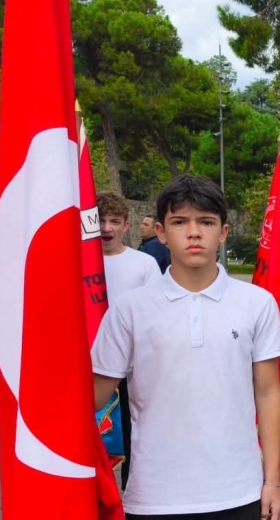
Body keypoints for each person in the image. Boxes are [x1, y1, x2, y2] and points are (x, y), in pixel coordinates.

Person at [91, 175, 280, 520]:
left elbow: (269, 392)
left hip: (238, 489)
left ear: (223, 232)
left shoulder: (257, 303)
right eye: (180, 222)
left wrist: (272, 481)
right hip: (155, 494)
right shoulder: (130, 308)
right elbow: (91, 396)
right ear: (162, 232)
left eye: (206, 222)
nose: (194, 233)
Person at [96, 192, 162, 491]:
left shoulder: (144, 264)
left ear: (126, 225)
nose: (107, 228)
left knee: (135, 434)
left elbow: (155, 316)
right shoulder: (77, 261)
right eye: (100, 221)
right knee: (94, 437)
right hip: (90, 366)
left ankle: (133, 492)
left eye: (114, 221)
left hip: (132, 367)